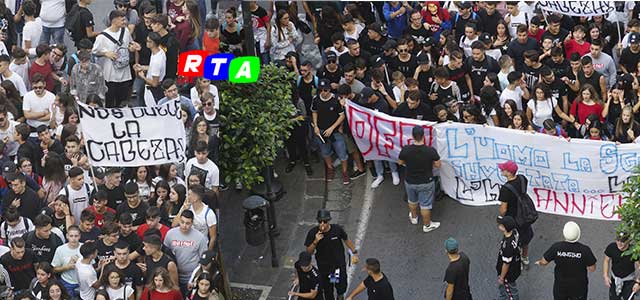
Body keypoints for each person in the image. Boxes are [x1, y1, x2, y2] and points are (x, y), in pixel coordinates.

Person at [304, 209, 359, 300]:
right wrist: (315, 241)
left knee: (340, 283)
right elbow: (309, 252)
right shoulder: (313, 233)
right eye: (320, 221)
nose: (322, 224)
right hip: (324, 267)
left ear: (329, 221)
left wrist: (354, 252)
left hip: (337, 265)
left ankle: (340, 294)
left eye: (325, 221)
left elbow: (346, 239)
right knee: (327, 288)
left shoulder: (337, 229)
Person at [535, 221, 597, 300]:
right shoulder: (585, 250)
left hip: (561, 287)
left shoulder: (556, 247)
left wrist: (539, 262)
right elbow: (592, 268)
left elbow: (544, 262)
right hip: (579, 288)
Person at [398, 125, 441, 233]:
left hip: (410, 181)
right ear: (423, 136)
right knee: (425, 205)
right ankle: (427, 225)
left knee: (412, 200)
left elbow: (400, 162)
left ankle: (414, 218)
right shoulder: (431, 151)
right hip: (426, 181)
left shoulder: (406, 150)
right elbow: (438, 165)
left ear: (412, 136)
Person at [92, 10, 134, 108]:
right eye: (122, 20)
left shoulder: (126, 31)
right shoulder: (102, 37)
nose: (125, 22)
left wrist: (132, 47)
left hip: (125, 74)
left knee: (123, 103)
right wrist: (105, 53)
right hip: (110, 76)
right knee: (110, 102)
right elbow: (94, 51)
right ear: (114, 20)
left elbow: (129, 44)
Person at [497, 160, 534, 270]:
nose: (501, 170)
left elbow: (503, 209)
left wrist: (502, 218)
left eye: (503, 169)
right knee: (526, 238)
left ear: (508, 172)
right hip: (525, 215)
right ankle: (525, 258)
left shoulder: (505, 189)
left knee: (514, 241)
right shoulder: (522, 178)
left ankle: (517, 261)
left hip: (513, 218)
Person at [164, 210, 207, 295]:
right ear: (179, 220)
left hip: (191, 278)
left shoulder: (200, 237)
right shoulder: (170, 234)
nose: (184, 226)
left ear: (192, 223)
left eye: (187, 223)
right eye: (182, 222)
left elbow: (203, 260)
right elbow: (165, 253)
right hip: (172, 275)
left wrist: (196, 279)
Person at [603, 232, 640, 300]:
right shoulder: (611, 247)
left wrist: (638, 282)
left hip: (629, 281)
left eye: (622, 241)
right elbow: (606, 260)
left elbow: (639, 267)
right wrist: (605, 275)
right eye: (618, 240)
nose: (619, 243)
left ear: (628, 241)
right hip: (614, 279)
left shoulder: (633, 251)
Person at [51, 225, 82, 299]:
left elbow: (91, 266)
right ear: (67, 236)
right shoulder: (60, 249)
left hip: (82, 283)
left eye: (76, 236)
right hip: (66, 282)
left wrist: (79, 264)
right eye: (71, 236)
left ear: (80, 236)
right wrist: (67, 267)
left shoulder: (84, 247)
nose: (74, 239)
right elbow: (54, 269)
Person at [496, 216, 521, 300]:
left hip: (508, 273)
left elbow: (506, 264)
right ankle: (503, 298)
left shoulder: (507, 246)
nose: (499, 225)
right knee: (505, 289)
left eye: (501, 224)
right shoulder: (514, 232)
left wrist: (502, 277)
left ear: (505, 228)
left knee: (511, 291)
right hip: (515, 264)